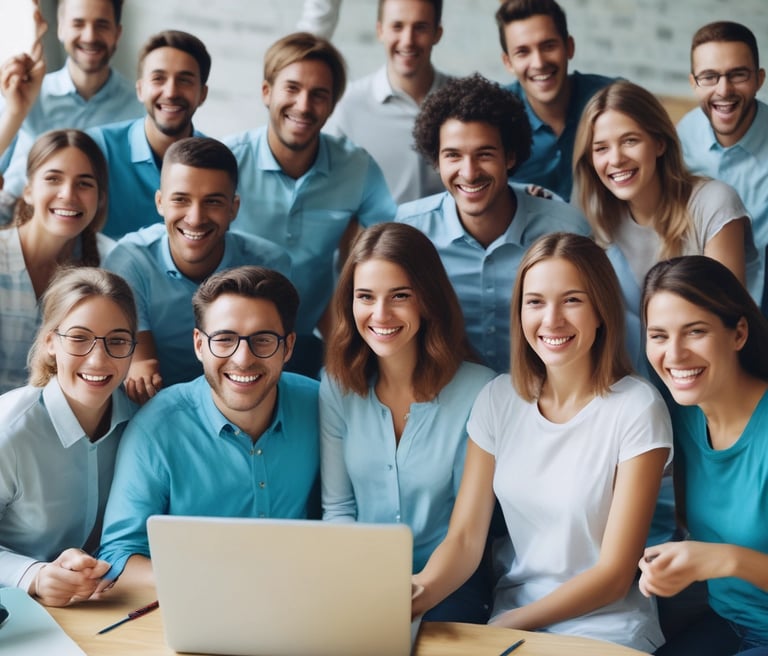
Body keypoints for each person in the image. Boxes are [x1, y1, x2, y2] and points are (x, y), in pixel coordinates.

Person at [411, 232, 671, 652]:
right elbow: (465, 540)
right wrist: (416, 594)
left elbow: (614, 576)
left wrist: (508, 624)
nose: (552, 320)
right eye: (535, 302)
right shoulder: (498, 399)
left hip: (607, 629)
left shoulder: (637, 407)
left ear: (601, 310)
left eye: (572, 300)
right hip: (513, 624)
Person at [97, 266, 320, 586]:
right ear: (199, 345)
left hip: (300, 595)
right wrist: (212, 581)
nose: (243, 358)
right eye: (225, 339)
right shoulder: (156, 428)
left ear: (288, 347)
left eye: (263, 340)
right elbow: (118, 554)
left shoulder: (319, 406)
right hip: (195, 598)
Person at [320, 222, 495, 622]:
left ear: (427, 300)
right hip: (360, 580)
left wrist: (411, 598)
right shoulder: (335, 386)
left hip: (450, 586)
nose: (380, 314)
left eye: (400, 296)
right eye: (365, 297)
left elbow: (466, 536)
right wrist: (366, 590)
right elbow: (339, 509)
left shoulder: (481, 391)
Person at [224, 32, 395, 377]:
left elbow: (392, 244)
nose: (303, 105)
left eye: (319, 95)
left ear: (332, 105)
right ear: (266, 92)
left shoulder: (356, 167)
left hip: (308, 339)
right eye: (292, 88)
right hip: (231, 334)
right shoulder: (227, 162)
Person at [397, 73, 589, 373]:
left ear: (510, 157)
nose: (469, 172)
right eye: (453, 156)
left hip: (545, 392)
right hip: (444, 392)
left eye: (484, 154)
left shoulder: (567, 230)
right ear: (436, 160)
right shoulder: (409, 231)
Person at [640, 255, 768, 655]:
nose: (675, 354)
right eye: (659, 336)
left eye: (695, 331)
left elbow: (720, 558)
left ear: (739, 333)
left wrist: (726, 559)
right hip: (728, 624)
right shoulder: (681, 416)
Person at [103, 137, 290, 404]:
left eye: (213, 202)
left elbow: (269, 357)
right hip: (158, 399)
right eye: (181, 200)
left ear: (233, 208)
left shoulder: (269, 263)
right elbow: (142, 362)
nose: (196, 218)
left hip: (242, 392)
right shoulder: (130, 260)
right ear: (160, 202)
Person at [573, 80, 761, 330]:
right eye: (601, 148)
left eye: (630, 141)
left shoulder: (714, 203)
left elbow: (726, 321)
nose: (616, 159)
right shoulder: (593, 215)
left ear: (660, 143)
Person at [0, 266, 138, 607]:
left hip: (105, 604)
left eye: (117, 340)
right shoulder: (10, 430)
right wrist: (33, 574)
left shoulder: (140, 424)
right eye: (79, 338)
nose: (98, 359)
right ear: (50, 342)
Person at [0, 128, 113, 394]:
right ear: (28, 191)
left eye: (84, 183)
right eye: (53, 179)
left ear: (100, 198)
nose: (68, 194)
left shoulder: (112, 263)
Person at [0, 0, 142, 207]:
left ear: (117, 33)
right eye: (78, 23)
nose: (89, 36)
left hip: (93, 225)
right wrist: (15, 113)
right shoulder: (23, 93)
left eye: (101, 25)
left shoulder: (141, 108)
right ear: (61, 28)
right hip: (12, 221)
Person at [676, 22, 768, 313]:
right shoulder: (682, 136)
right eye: (709, 77)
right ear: (694, 83)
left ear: (759, 79)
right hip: (700, 294)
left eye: (738, 74)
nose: (724, 90)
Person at [88, 29, 210, 238]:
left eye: (185, 80)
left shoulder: (216, 162)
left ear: (202, 94)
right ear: (140, 90)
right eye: (158, 78)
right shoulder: (98, 147)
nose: (171, 92)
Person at [324, 0, 448, 203]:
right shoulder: (347, 105)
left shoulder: (464, 100)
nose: (407, 41)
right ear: (380, 31)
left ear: (437, 33)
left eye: (420, 27)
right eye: (397, 26)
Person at [496, 0, 613, 200]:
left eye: (548, 46)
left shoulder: (611, 99)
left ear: (569, 47)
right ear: (508, 62)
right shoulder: (495, 116)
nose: (539, 63)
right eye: (523, 52)